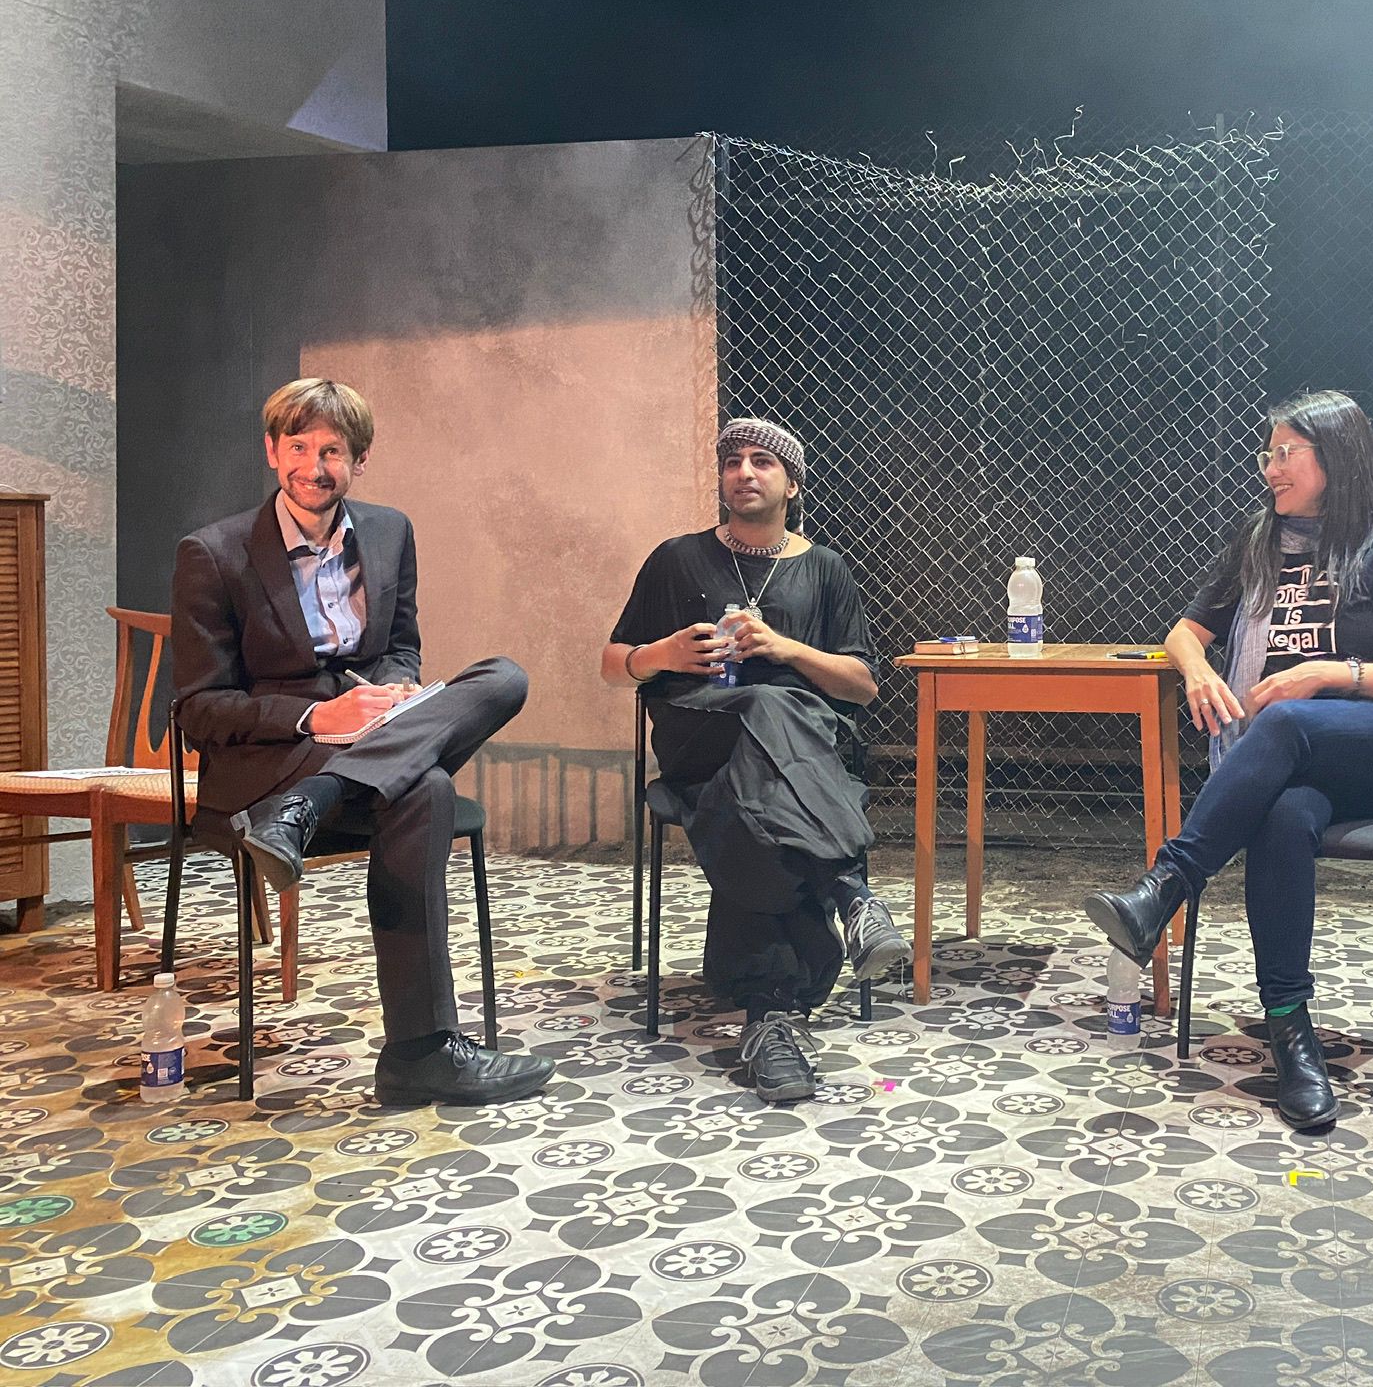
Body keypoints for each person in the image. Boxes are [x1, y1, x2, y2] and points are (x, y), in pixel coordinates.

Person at [172, 379, 554, 1108]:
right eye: (299, 448)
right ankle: (421, 1050)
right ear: (271, 450)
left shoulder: (389, 532)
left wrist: (399, 692)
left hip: (360, 750)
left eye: (334, 451)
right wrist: (318, 719)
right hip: (265, 766)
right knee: (428, 787)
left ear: (360, 459)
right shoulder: (214, 554)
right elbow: (199, 710)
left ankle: (315, 804)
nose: (315, 467)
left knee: (504, 676)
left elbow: (401, 647)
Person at [1084, 390, 1373, 1130]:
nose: (1271, 469)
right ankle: (1291, 1031)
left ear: (1335, 460)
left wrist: (1327, 674)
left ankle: (1168, 886)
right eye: (1270, 454)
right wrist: (1197, 670)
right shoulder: (1257, 543)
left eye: (1288, 453)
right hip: (1298, 766)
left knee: (1282, 718)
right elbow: (1183, 633)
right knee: (1282, 816)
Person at [601, 417, 906, 1104]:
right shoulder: (676, 559)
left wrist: (785, 649)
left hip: (785, 773)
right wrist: (665, 656)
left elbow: (862, 684)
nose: (744, 471)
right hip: (697, 742)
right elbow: (612, 665)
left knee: (761, 789)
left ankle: (768, 1016)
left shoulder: (825, 569)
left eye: (762, 461)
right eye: (732, 460)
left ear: (791, 484)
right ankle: (848, 893)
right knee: (771, 714)